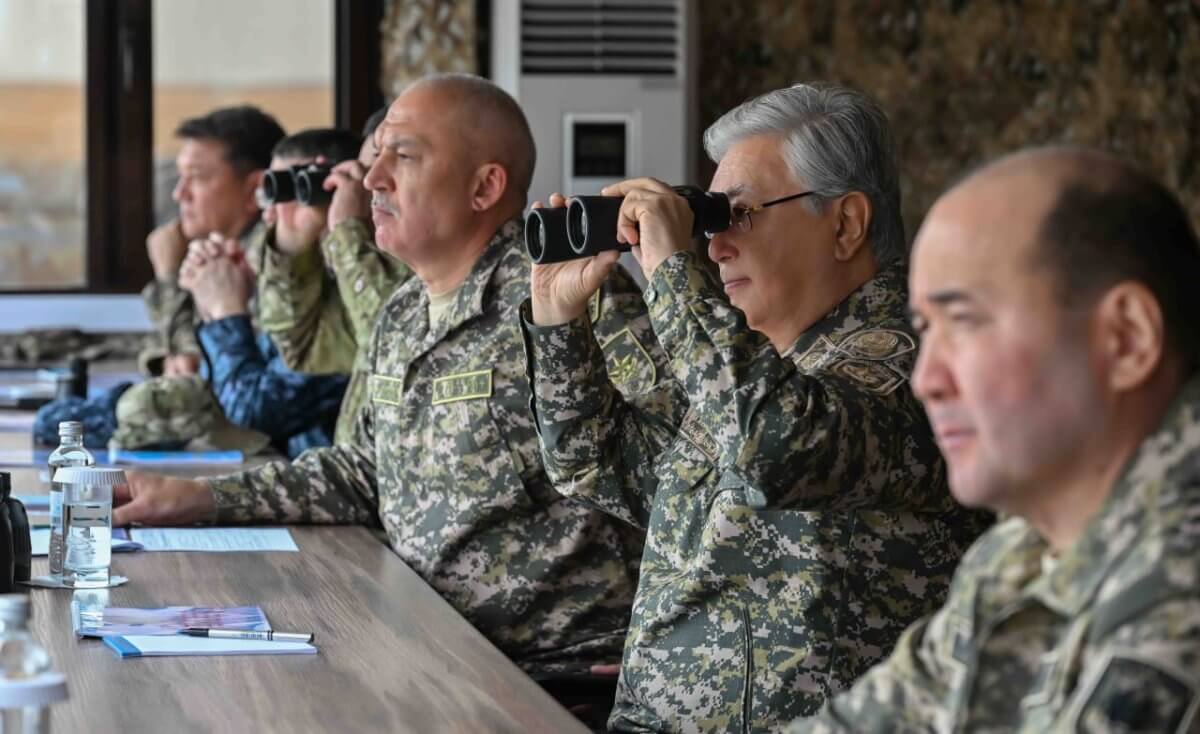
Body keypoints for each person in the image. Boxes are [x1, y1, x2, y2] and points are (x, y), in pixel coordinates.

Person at [112, 74, 657, 696]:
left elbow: (668, 475)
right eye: (378, 159)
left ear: (485, 186)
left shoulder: (573, 293)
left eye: (404, 156)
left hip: (548, 674)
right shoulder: (402, 310)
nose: (372, 180)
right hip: (414, 642)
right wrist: (201, 499)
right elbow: (367, 471)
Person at [524, 82, 987, 731]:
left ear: (846, 223)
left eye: (736, 214)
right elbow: (601, 466)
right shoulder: (764, 365)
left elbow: (771, 447)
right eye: (710, 221)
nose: (713, 246)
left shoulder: (910, 364)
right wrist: (558, 321)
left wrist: (670, 268)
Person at [790, 147, 1200, 733]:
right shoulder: (1016, 555)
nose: (927, 380)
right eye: (925, 330)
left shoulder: (1179, 589)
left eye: (964, 322)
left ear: (1127, 340)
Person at [172, 128, 360, 458]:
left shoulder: (350, 304)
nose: (273, 213)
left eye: (297, 194)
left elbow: (251, 418)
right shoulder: (295, 290)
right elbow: (215, 400)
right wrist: (212, 306)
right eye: (270, 194)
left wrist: (226, 312)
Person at [255, 108, 412, 444]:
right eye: (368, 166)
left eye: (399, 160)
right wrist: (293, 247)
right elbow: (303, 351)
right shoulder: (359, 275)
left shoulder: (448, 281)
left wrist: (348, 234)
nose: (369, 183)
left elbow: (395, 344)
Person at [140, 106, 285, 377]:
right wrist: (164, 358)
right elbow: (167, 349)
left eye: (196, 177)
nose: (179, 193)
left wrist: (168, 277)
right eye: (180, 177)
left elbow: (200, 365)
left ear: (255, 188)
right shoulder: (215, 248)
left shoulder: (271, 255)